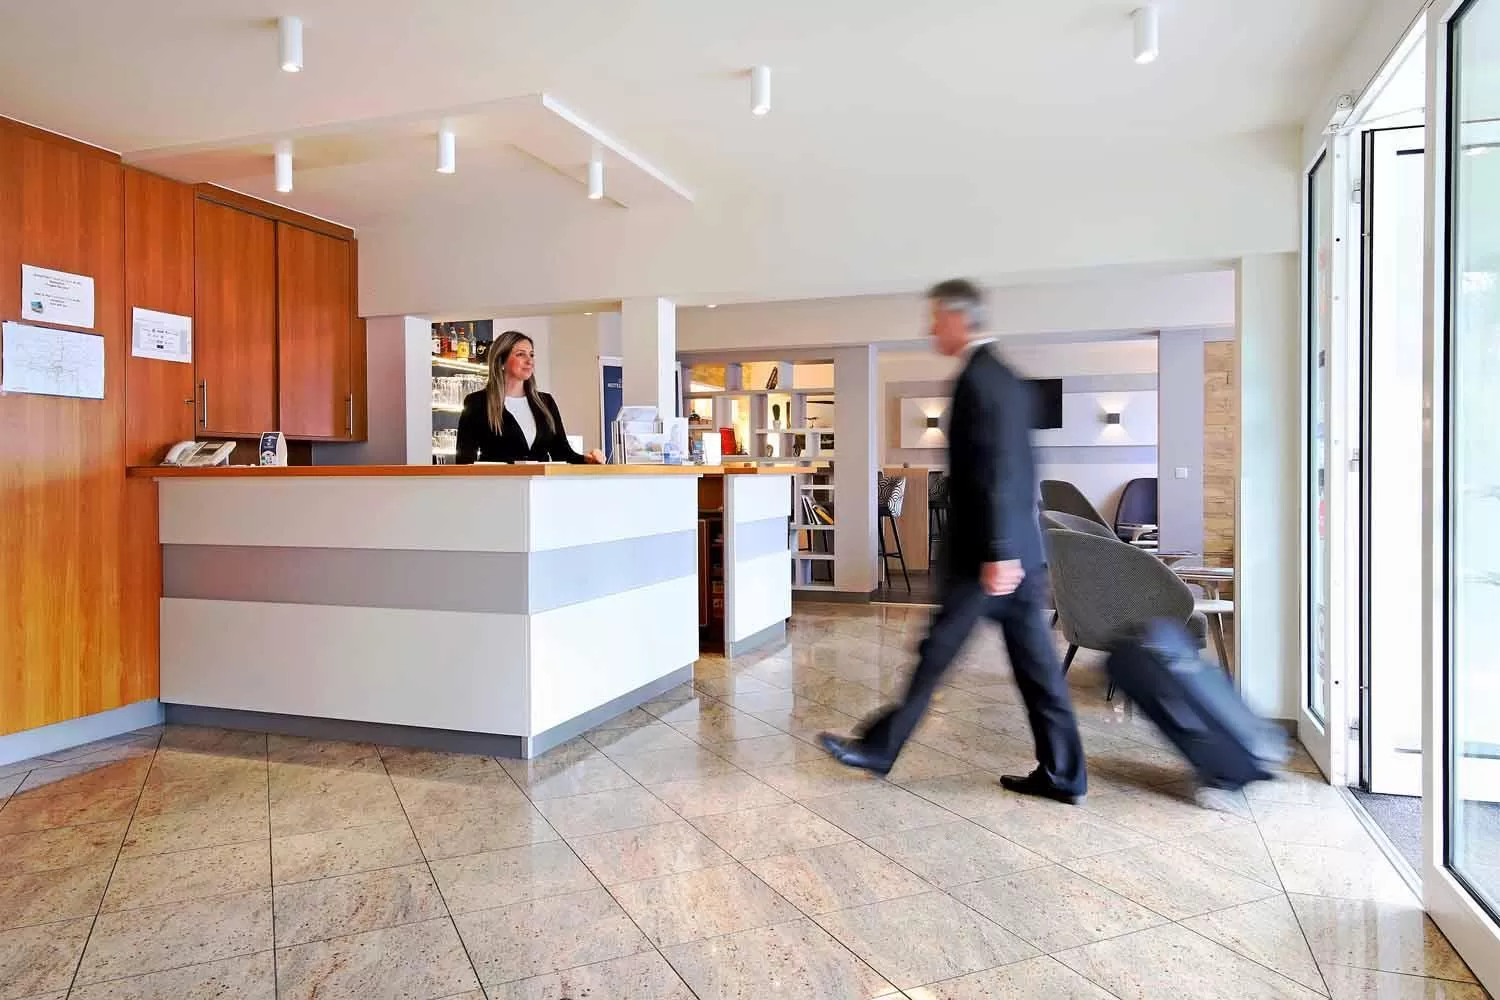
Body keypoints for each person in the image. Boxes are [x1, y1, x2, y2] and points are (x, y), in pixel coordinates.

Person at [820, 279, 1088, 803]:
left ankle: (879, 749)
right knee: (1034, 670)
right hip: (1012, 558)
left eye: (936, 317)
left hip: (990, 561)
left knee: (937, 653)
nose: (929, 328)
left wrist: (999, 551)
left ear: (960, 319)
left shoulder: (981, 379)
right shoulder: (1003, 377)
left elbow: (1000, 471)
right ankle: (1064, 774)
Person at [455, 330, 605, 465]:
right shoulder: (477, 402)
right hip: (497, 489)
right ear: (501, 361)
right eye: (521, 354)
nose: (529, 361)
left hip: (540, 490)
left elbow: (561, 452)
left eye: (531, 354)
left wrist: (589, 459)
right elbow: (464, 460)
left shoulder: (545, 402)